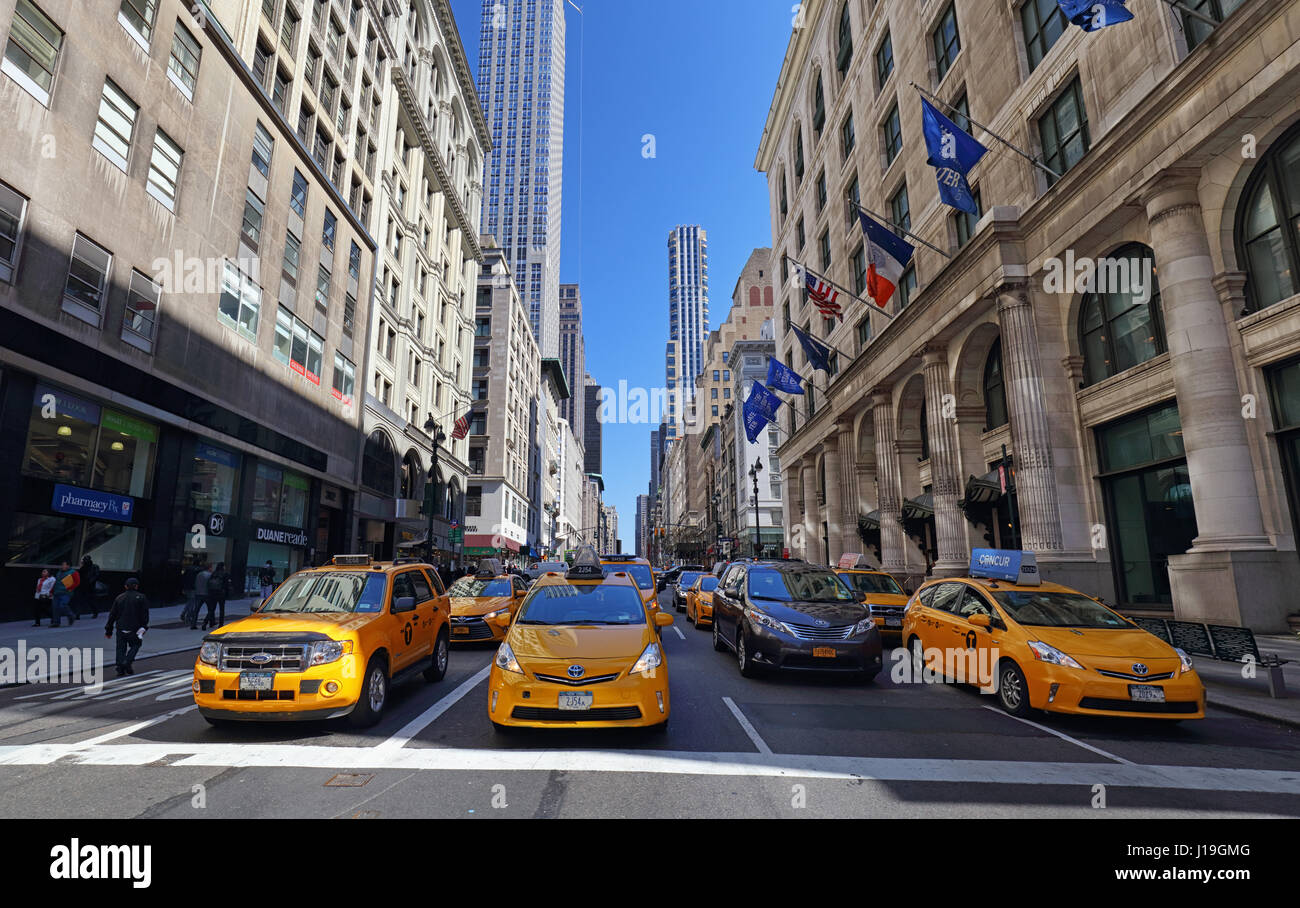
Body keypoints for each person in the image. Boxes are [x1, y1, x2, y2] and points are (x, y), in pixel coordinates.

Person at [104, 577, 149, 676]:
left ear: (125, 586)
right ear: (136, 586)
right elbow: (144, 614)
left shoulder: (119, 598)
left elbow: (112, 615)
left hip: (121, 627)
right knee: (136, 644)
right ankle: (127, 662)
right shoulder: (141, 597)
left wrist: (108, 630)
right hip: (135, 628)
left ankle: (120, 667)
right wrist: (144, 626)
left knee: (120, 648)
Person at [50, 561, 78, 627]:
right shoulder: (59, 572)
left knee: (62, 605)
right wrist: (51, 591)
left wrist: (70, 588)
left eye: (64, 565)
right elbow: (56, 582)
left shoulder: (73, 572)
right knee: (55, 607)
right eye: (62, 565)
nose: (62, 566)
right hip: (57, 592)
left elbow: (77, 582)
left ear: (68, 566)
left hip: (66, 593)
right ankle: (56, 622)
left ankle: (71, 616)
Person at [204, 562, 230, 629]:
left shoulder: (214, 573)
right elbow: (226, 585)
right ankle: (221, 624)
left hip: (213, 593)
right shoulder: (225, 573)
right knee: (221, 609)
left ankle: (205, 622)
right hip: (221, 593)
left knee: (212, 609)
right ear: (223, 566)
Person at [72, 555, 100, 619]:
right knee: (80, 600)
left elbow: (96, 575)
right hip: (82, 586)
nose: (84, 561)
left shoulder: (94, 567)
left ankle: (95, 612)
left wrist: (90, 582)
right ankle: (77, 614)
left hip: (90, 587)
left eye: (85, 560)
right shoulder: (83, 568)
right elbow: (79, 575)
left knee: (90, 601)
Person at [191, 561, 212, 630]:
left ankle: (193, 624)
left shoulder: (199, 574)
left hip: (198, 593)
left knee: (196, 610)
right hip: (206, 594)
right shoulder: (210, 575)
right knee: (210, 609)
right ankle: (209, 621)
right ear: (209, 568)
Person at [180, 561, 198, 627]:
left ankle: (184, 613)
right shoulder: (197, 570)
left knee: (190, 601)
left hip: (187, 587)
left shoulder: (188, 570)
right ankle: (188, 616)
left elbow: (183, 578)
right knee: (192, 602)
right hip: (193, 588)